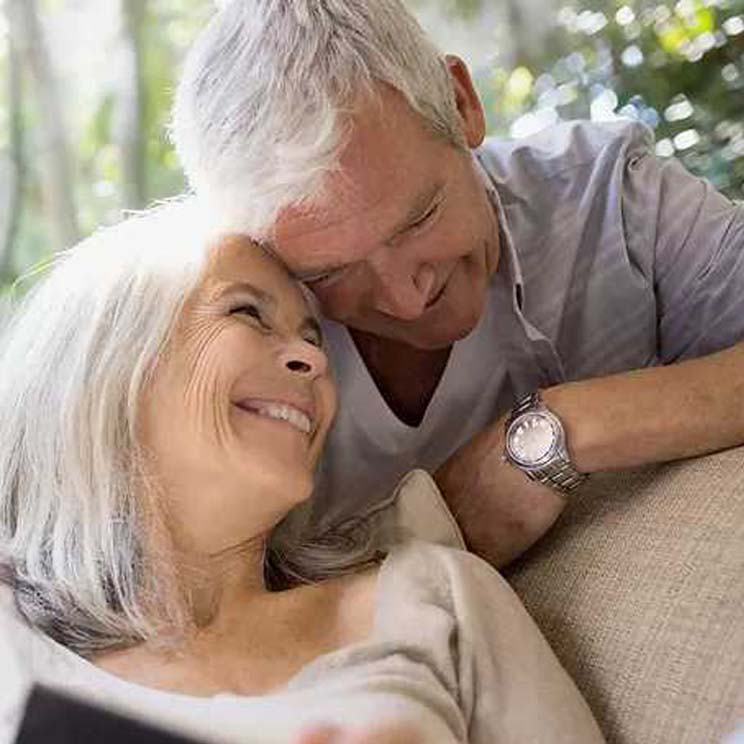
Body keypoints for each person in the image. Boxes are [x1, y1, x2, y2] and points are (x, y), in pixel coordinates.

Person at [0, 200, 605, 744]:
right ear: (109, 363)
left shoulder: (430, 596)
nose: (313, 359)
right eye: (247, 313)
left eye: (312, 337)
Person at [171, 0, 744, 568]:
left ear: (461, 103)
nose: (405, 297)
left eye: (419, 218)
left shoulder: (612, 198)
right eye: (328, 273)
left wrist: (562, 428)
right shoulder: (222, 354)